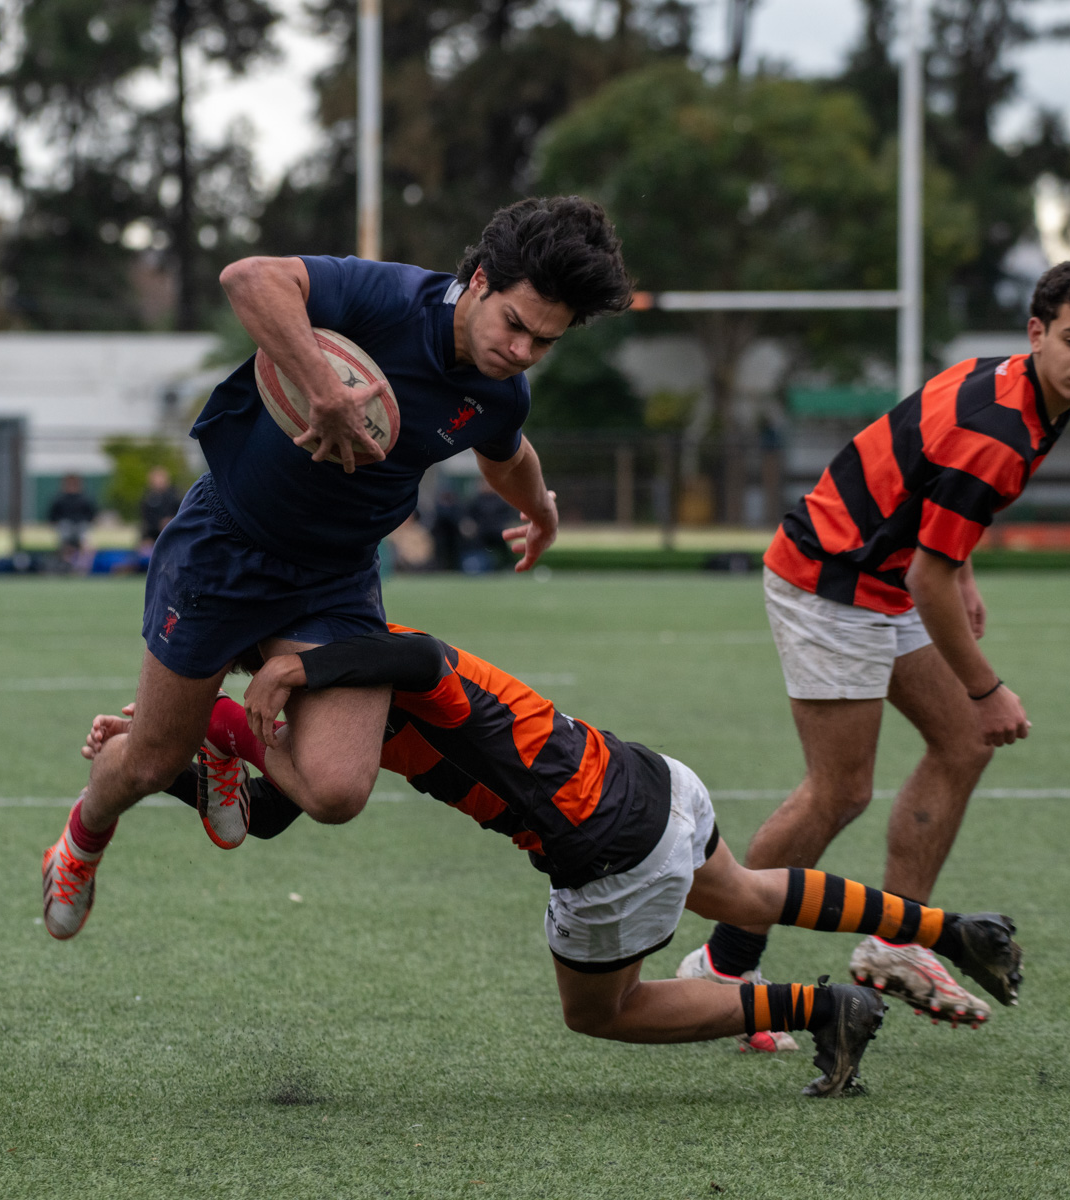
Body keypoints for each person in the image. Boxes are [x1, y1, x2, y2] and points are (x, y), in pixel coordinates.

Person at [82, 628, 1023, 1098]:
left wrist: (256, 704)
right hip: (649, 780)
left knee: (600, 1013)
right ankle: (954, 929)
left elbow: (415, 662)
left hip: (605, 846)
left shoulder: (350, 667)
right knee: (739, 891)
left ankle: (823, 1007)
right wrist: (167, 760)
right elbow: (272, 814)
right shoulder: (330, 675)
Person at [42, 196, 631, 940]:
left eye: (543, 343)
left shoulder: (498, 387)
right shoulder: (390, 299)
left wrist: (540, 512)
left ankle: (225, 728)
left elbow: (507, 453)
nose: (521, 351)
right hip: (227, 550)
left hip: (336, 578)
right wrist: (324, 388)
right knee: (150, 765)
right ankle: (80, 841)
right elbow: (249, 278)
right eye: (515, 325)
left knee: (335, 789)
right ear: (481, 280)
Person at [681, 261, 1070, 1029]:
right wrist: (987, 686)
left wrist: (960, 570)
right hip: (830, 579)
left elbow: (933, 514)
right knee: (842, 790)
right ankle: (723, 963)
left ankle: (895, 941)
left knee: (962, 745)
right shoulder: (999, 429)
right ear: (1036, 333)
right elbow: (931, 573)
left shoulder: (1023, 387)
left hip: (884, 572)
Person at [48, 473, 98, 572]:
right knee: (65, 529)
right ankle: (65, 564)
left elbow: (92, 516)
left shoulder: (85, 498)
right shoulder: (59, 499)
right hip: (65, 527)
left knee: (85, 539)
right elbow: (52, 517)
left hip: (81, 526)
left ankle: (83, 566)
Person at [136, 465, 180, 551]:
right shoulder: (147, 499)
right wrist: (146, 538)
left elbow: (182, 513)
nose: (158, 481)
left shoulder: (176, 496)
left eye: (161, 478)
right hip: (153, 537)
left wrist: (171, 521)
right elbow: (145, 521)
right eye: (156, 479)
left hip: (173, 535)